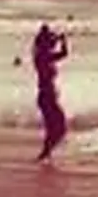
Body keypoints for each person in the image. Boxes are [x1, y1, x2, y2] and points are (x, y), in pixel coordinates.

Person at [32, 22, 70, 162]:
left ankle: (45, 155)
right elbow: (64, 53)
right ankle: (44, 155)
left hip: (48, 96)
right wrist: (62, 40)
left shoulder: (42, 55)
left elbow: (63, 53)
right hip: (47, 96)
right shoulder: (42, 56)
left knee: (55, 128)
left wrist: (61, 40)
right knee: (59, 127)